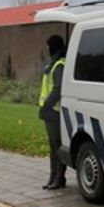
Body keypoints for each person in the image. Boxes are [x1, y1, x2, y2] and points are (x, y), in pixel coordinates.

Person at [38, 34, 67, 189]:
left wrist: (46, 106)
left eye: (48, 46)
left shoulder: (59, 65)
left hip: (54, 111)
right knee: (52, 146)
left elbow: (58, 89)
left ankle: (59, 178)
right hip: (49, 111)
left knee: (57, 146)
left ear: (53, 47)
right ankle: (52, 177)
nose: (47, 49)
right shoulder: (52, 63)